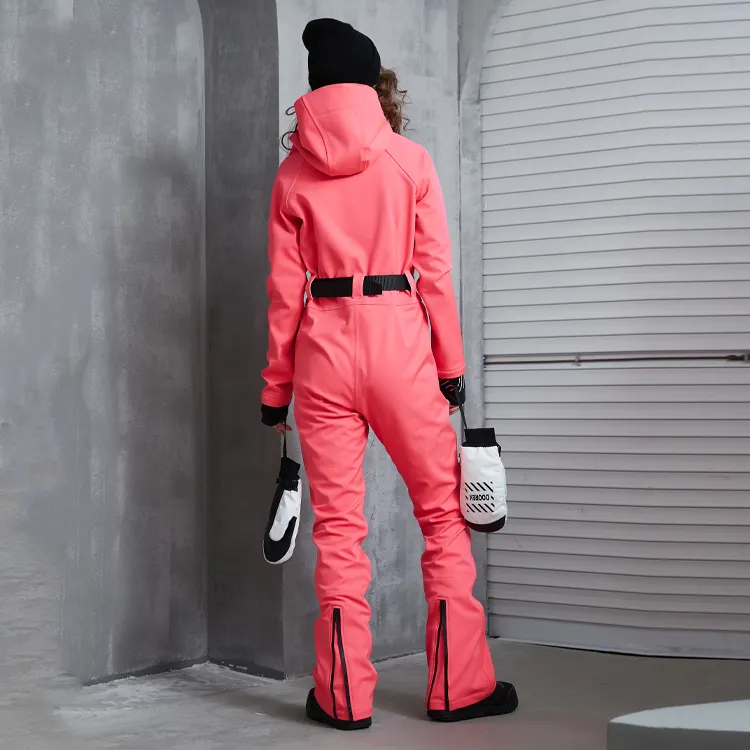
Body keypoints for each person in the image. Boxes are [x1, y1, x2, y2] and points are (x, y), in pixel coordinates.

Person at [260, 18, 518, 730]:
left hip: (321, 349)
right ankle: (458, 688)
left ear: (315, 91)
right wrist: (452, 370)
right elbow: (434, 275)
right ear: (374, 86)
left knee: (340, 532)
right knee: (442, 515)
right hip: (400, 346)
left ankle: (342, 699)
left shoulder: (291, 175)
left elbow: (283, 294)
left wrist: (275, 390)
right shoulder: (411, 161)